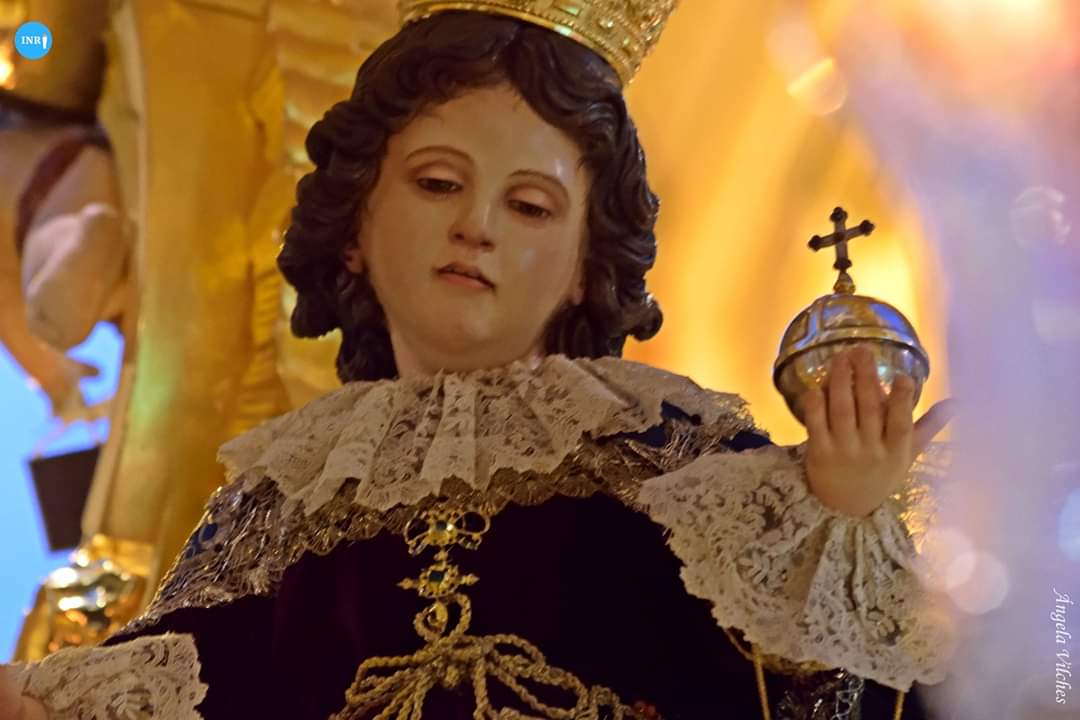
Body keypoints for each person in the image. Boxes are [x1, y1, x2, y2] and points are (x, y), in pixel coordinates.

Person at [0, 5, 954, 718]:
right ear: (354, 230)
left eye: (529, 205)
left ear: (584, 266)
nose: (476, 226)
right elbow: (197, 674)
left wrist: (843, 518)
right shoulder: (284, 501)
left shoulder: (671, 460)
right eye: (437, 183)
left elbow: (799, 670)